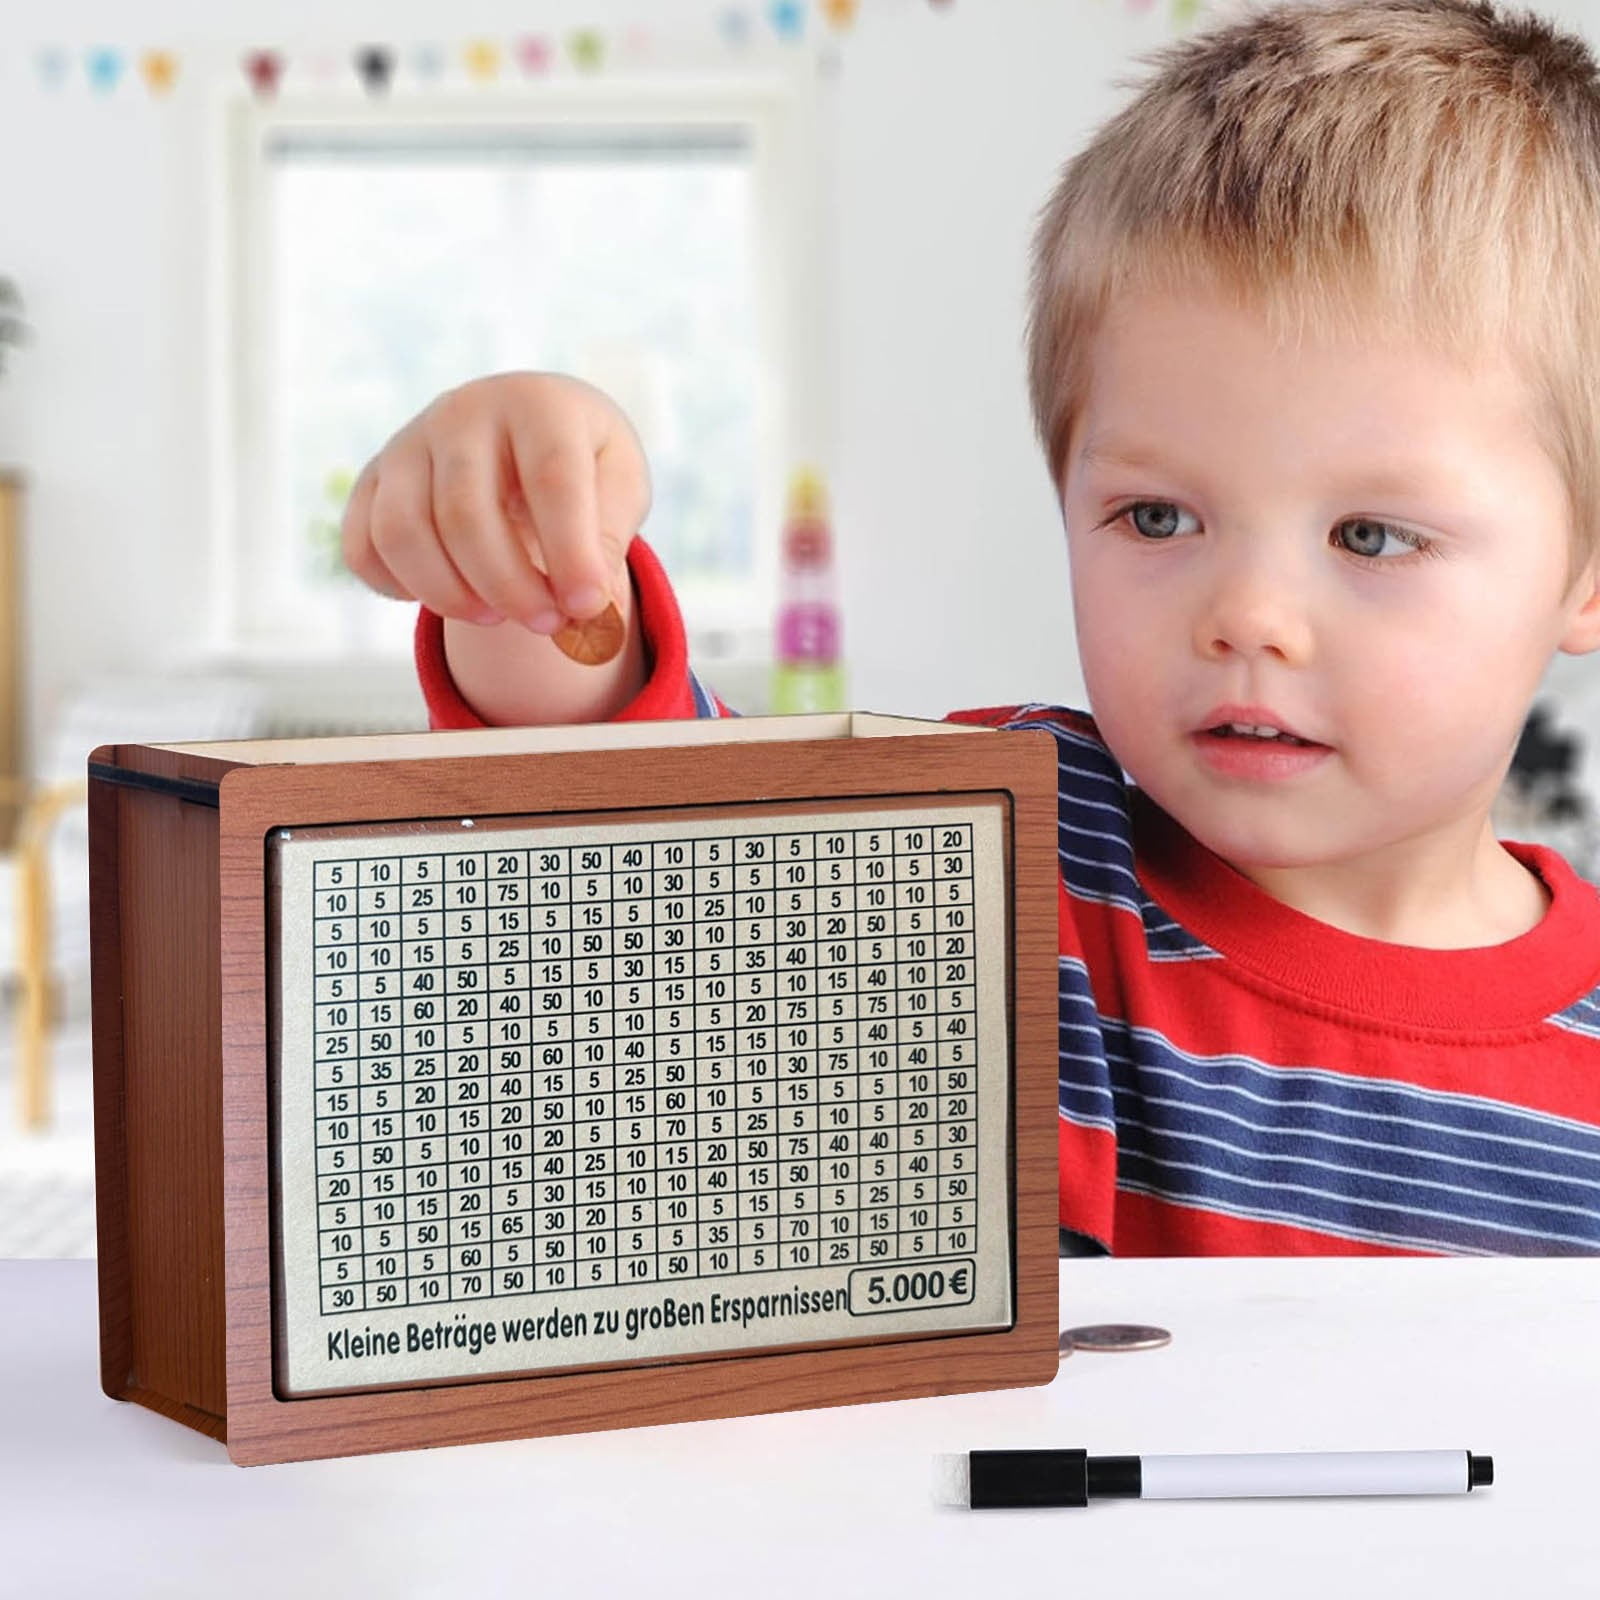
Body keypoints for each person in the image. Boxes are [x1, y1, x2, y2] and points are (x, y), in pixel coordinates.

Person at [341, 0, 1600, 1256]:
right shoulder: (1010, 851)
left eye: (1370, 537)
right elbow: (665, 842)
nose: (1247, 619)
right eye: (1156, 516)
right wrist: (529, 568)